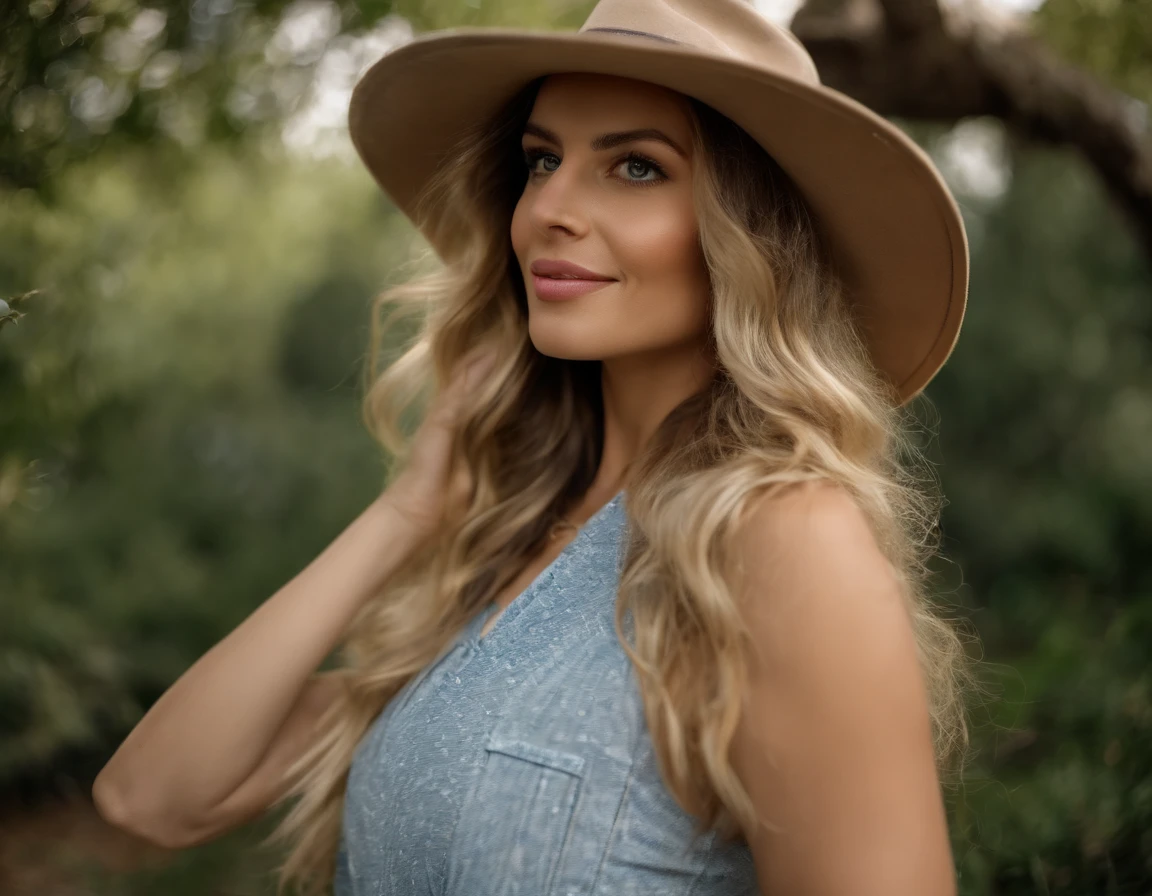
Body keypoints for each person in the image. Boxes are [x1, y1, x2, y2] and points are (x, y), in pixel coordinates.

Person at [92, 0, 977, 894]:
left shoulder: (783, 540)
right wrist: (410, 510)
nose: (550, 207)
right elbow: (155, 796)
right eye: (541, 160)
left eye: (636, 167)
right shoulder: (505, 546)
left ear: (752, 239)